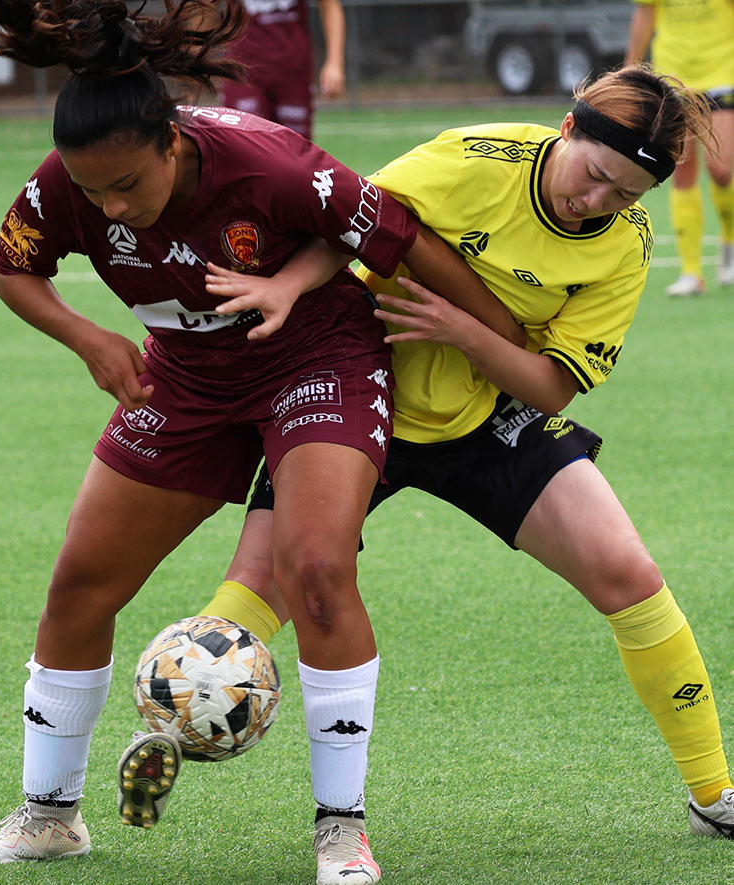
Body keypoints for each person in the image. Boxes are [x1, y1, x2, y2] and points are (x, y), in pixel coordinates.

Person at [0, 1, 523, 880]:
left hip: (316, 360)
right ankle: (50, 813)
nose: (111, 206)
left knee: (316, 568)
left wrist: (507, 342)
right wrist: (90, 338)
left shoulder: (271, 168)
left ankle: (341, 829)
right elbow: (12, 264)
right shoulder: (69, 181)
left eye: (127, 184)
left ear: (173, 141)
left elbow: (401, 237)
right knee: (81, 583)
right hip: (188, 379)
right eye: (93, 194)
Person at [160, 64, 734, 872]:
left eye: (624, 195)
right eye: (596, 176)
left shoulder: (625, 247)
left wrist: (460, 327)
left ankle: (715, 792)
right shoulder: (473, 159)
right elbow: (350, 219)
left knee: (629, 573)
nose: (597, 202)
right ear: (567, 131)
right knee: (259, 591)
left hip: (486, 415)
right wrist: (287, 285)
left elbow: (549, 381)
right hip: (360, 397)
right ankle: (166, 737)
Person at [625, 0, 734, 296]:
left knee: (721, 169)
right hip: (674, 75)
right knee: (681, 170)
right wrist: (630, 68)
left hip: (722, 72)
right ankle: (691, 272)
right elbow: (645, 13)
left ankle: (729, 241)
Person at [217, 0, 346, 139]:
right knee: (243, 144)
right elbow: (204, 8)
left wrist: (334, 63)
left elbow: (330, 7)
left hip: (293, 70)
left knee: (294, 147)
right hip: (242, 70)